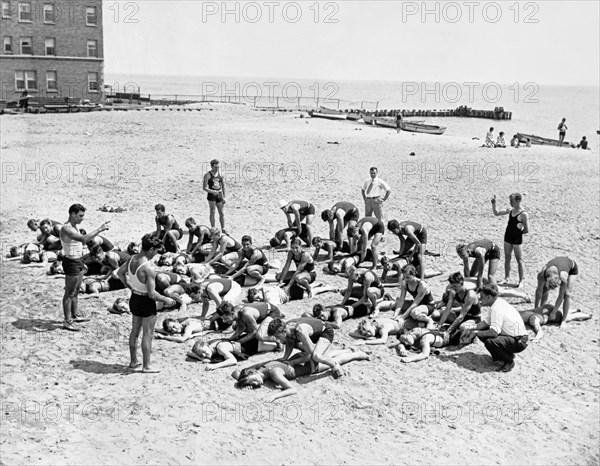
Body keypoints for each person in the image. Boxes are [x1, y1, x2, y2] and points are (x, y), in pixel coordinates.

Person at [117, 234, 176, 373]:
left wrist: (130, 286)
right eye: (155, 251)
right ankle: (147, 366)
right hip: (146, 301)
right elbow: (152, 294)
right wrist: (167, 300)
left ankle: (133, 361)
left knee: (134, 332)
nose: (156, 254)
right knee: (147, 334)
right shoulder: (148, 268)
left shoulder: (131, 259)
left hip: (135, 298)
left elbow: (120, 273)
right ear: (150, 249)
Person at [233, 349, 369, 401]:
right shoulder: (260, 368)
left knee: (335, 362)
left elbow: (292, 389)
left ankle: (356, 355)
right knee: (323, 356)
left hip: (308, 367)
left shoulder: (274, 373)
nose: (256, 384)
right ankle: (345, 349)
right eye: (253, 384)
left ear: (253, 372)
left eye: (253, 380)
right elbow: (235, 372)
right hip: (299, 358)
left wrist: (274, 395)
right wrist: (245, 383)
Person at [59, 204, 111, 331]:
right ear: (73, 214)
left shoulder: (74, 226)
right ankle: (67, 320)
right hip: (71, 261)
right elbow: (83, 239)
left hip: (78, 260)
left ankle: (74, 315)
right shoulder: (66, 228)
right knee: (69, 293)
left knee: (76, 290)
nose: (82, 218)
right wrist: (100, 229)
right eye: (80, 216)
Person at [465, 284, 528, 372]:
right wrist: (471, 328)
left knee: (490, 341)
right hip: (514, 337)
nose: (480, 299)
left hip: (519, 341)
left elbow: (494, 332)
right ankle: (507, 354)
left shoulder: (496, 309)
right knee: (483, 332)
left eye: (482, 297)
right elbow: (485, 323)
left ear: (489, 297)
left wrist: (476, 333)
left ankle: (508, 361)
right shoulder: (496, 303)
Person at [267, 317, 344, 378]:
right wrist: (284, 358)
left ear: (283, 331)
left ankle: (334, 365)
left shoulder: (301, 331)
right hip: (313, 333)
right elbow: (290, 341)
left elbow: (310, 355)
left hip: (326, 331)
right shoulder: (287, 328)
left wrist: (292, 362)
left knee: (316, 356)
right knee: (301, 346)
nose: (277, 339)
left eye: (277, 336)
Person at [492, 193, 529, 288]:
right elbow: (496, 213)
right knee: (507, 258)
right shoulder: (510, 210)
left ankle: (521, 281)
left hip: (517, 238)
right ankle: (506, 278)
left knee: (519, 259)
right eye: (510, 201)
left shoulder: (523, 214)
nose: (510, 203)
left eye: (512, 201)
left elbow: (526, 230)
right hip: (507, 237)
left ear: (518, 201)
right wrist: (494, 204)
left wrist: (518, 232)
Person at [217, 301, 283, 350]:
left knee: (259, 336)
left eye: (225, 318)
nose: (224, 321)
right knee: (235, 327)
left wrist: (239, 342)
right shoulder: (236, 312)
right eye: (222, 319)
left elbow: (254, 332)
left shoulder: (246, 313)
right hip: (260, 315)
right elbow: (241, 327)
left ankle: (278, 341)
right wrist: (230, 339)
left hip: (272, 312)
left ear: (232, 313)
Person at [534, 256, 578, 327]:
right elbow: (539, 291)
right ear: (547, 279)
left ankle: (564, 320)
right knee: (544, 289)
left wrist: (554, 312)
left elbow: (560, 296)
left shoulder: (563, 278)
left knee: (567, 294)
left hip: (572, 268)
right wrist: (536, 309)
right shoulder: (541, 275)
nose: (551, 290)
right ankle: (542, 307)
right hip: (559, 264)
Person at [519, 304, 591, 343]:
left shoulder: (534, 319)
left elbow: (540, 332)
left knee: (568, 317)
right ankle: (575, 310)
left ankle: (586, 315)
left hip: (549, 311)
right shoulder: (522, 313)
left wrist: (536, 338)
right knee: (562, 312)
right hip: (545, 307)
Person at [187, 337, 267, 371]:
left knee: (276, 345)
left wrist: (215, 366)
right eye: (201, 354)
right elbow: (189, 352)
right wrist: (200, 358)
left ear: (207, 346)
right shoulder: (208, 346)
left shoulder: (220, 347)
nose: (204, 355)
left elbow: (233, 360)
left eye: (204, 352)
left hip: (251, 345)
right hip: (240, 342)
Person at [394, 327, 461, 363]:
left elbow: (425, 354)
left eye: (405, 339)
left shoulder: (425, 338)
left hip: (454, 336)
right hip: (443, 330)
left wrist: (410, 359)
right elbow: (400, 344)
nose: (406, 343)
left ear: (409, 333)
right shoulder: (414, 334)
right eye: (404, 341)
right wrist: (402, 348)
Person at [247, 282, 337, 305]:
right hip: (287, 289)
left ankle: (328, 288)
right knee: (307, 290)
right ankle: (316, 285)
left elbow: (272, 304)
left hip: (290, 294)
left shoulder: (267, 298)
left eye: (257, 297)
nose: (259, 299)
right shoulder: (265, 289)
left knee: (310, 294)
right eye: (257, 300)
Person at [203, 159, 226, 229]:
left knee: (221, 213)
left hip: (219, 194)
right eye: (215, 167)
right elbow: (204, 187)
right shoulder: (207, 175)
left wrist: (224, 196)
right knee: (212, 212)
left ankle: (223, 228)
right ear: (212, 167)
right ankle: (213, 228)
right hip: (212, 195)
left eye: (218, 167)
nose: (217, 169)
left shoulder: (220, 174)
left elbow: (223, 186)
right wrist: (212, 191)